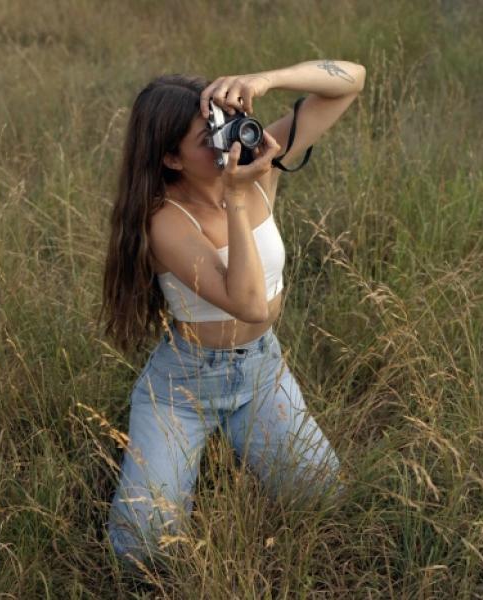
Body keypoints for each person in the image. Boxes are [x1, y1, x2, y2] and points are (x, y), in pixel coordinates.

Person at [101, 60, 366, 565]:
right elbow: (247, 301)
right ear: (171, 160)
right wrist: (241, 194)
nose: (229, 141)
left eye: (225, 121)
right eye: (208, 136)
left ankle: (232, 446)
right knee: (144, 550)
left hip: (261, 370)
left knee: (324, 501)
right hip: (184, 387)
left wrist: (267, 82)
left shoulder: (256, 155)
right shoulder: (164, 219)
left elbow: (351, 82)